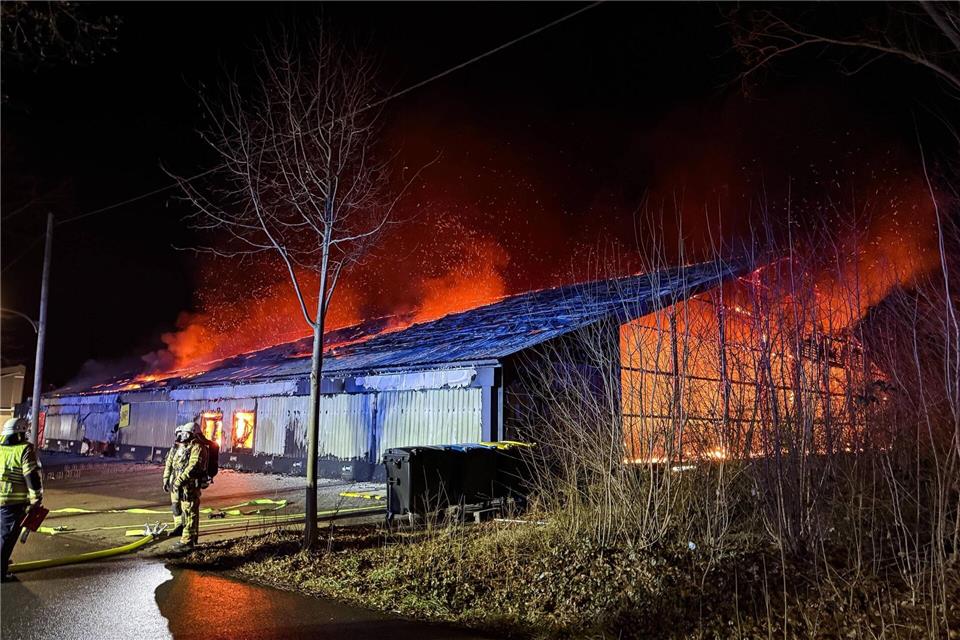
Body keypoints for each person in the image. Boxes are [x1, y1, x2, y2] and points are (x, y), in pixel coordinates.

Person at [0, 417, 43, 581]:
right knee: (6, 538)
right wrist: (36, 499)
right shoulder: (24, 450)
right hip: (12, 502)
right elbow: (31, 475)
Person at [162, 418, 207, 550]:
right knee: (187, 511)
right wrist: (169, 478)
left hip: (190, 485)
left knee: (189, 512)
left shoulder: (198, 447)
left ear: (193, 433)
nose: (184, 436)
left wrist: (180, 480)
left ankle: (187, 541)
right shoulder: (187, 447)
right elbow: (173, 463)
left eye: (187, 434)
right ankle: (190, 538)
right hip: (184, 485)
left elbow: (193, 467)